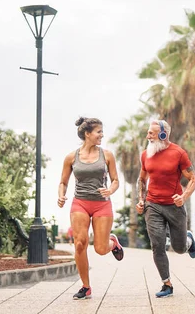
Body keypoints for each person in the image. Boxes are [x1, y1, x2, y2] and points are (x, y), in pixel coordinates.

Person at [58, 117, 124, 300]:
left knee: (101, 249)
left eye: (102, 131)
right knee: (80, 243)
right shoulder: (72, 157)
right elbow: (63, 182)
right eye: (99, 132)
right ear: (87, 134)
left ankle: (113, 243)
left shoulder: (107, 155)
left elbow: (116, 180)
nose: (102, 135)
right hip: (80, 203)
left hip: (102, 204)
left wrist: (110, 189)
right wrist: (61, 195)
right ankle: (86, 287)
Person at [136, 119, 195, 298]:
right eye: (148, 132)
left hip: (174, 206)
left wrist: (183, 197)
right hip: (153, 205)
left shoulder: (178, 153)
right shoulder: (145, 155)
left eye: (151, 133)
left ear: (163, 135)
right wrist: (141, 200)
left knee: (178, 249)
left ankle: (187, 240)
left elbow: (193, 178)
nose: (147, 136)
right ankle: (167, 284)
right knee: (157, 245)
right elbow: (141, 179)